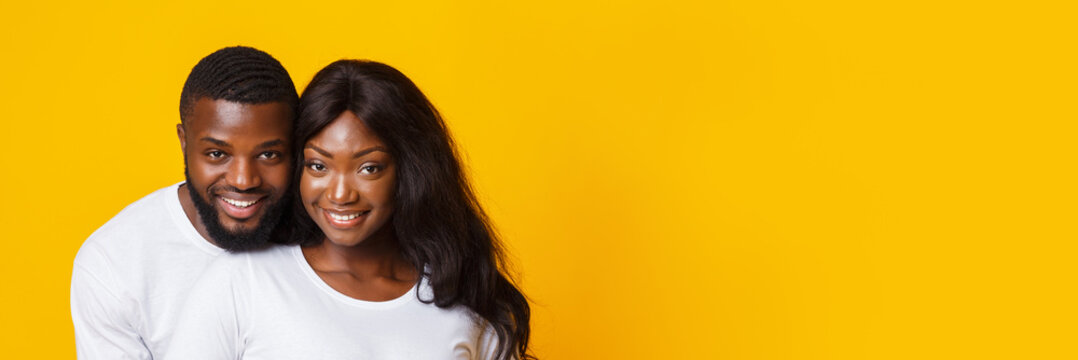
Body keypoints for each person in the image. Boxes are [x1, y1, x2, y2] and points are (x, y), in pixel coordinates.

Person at [164, 60, 533, 359]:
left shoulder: (463, 302)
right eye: (318, 166)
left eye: (368, 168)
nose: (339, 194)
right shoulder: (242, 283)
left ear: (410, 171)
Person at [70, 46, 299, 359]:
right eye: (217, 154)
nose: (244, 180)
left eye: (268, 154)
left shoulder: (330, 231)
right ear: (184, 142)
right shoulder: (113, 263)